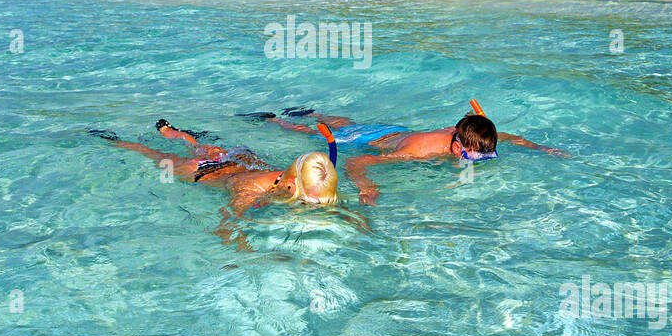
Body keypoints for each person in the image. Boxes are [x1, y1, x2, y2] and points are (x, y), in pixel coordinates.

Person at [253, 100, 569, 204]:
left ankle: (310, 110)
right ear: (457, 146)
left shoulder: (474, 132)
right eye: (473, 158)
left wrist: (542, 149)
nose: (478, 163)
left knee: (348, 123)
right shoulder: (420, 152)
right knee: (336, 135)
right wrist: (367, 185)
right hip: (375, 141)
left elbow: (510, 136)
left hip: (395, 130)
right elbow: (360, 162)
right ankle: (276, 119)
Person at [91, 120, 340, 243]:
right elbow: (226, 224)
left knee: (197, 144)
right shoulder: (249, 191)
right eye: (308, 203)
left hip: (240, 160)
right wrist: (249, 254)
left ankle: (177, 133)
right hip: (202, 171)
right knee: (153, 154)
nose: (311, 206)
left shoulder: (289, 179)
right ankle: (111, 138)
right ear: (290, 187)